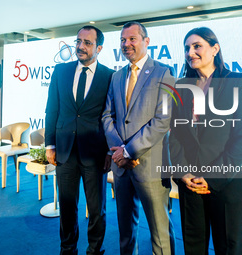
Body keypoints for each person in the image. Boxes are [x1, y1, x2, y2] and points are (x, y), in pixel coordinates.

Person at [169, 27, 242, 255]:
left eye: (197, 46)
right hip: (190, 184)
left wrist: (212, 177)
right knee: (194, 248)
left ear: (215, 49)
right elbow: (175, 134)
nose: (190, 52)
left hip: (228, 184)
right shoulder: (180, 85)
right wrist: (182, 172)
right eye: (187, 48)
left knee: (228, 249)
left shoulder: (239, 81)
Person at [102, 21, 176, 255]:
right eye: (123, 40)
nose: (126, 44)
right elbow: (107, 115)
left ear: (146, 41)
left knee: (159, 232)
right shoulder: (116, 77)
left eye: (132, 39)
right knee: (125, 229)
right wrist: (118, 151)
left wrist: (128, 151)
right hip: (122, 168)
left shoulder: (163, 72)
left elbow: (163, 120)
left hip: (151, 166)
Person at [45, 25, 114, 255]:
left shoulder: (109, 76)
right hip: (64, 152)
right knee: (66, 207)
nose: (80, 47)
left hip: (95, 154)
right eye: (78, 41)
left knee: (96, 210)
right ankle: (68, 249)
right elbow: (52, 110)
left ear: (99, 47)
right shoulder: (60, 71)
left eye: (87, 43)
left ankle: (95, 250)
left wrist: (109, 151)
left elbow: (111, 116)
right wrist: (50, 144)